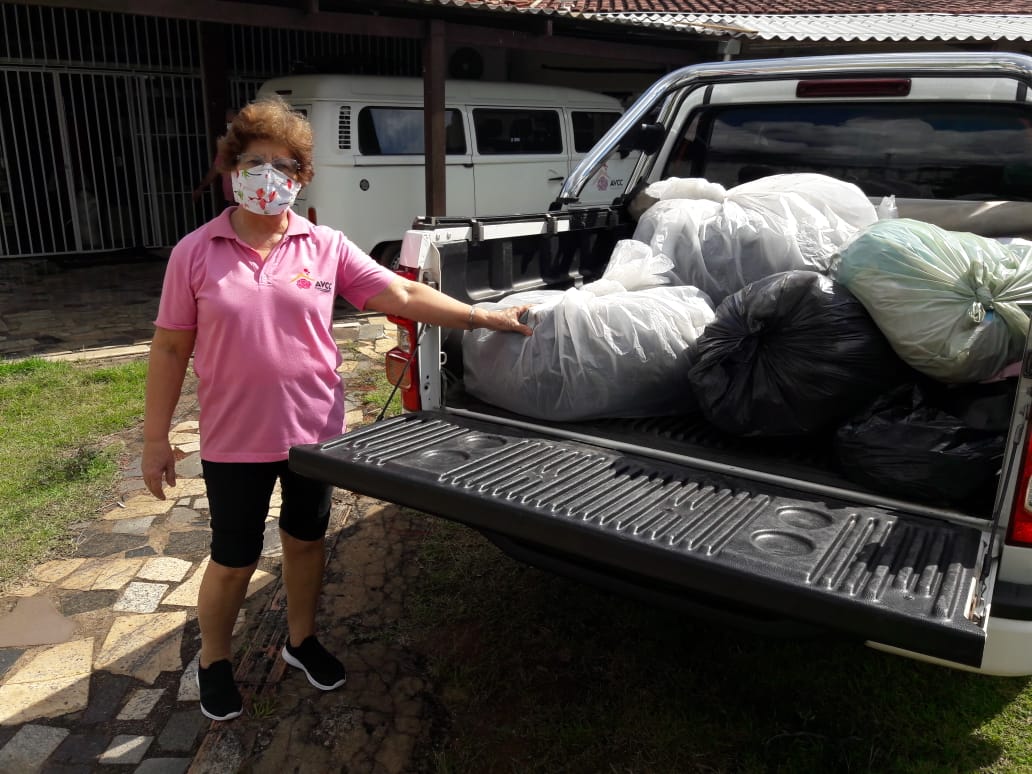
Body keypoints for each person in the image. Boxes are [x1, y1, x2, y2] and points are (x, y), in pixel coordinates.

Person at [143, 95, 533, 722]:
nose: (267, 176)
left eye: (283, 165)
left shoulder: (324, 246)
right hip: (233, 440)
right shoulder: (196, 251)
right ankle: (214, 659)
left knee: (305, 542)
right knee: (234, 557)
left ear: (299, 178)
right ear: (230, 168)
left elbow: (401, 290)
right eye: (253, 161)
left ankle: (300, 641)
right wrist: (154, 440)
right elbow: (168, 347)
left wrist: (480, 314)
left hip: (314, 435)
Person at [192, 109, 238, 211]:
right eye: (228, 122)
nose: (230, 125)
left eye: (232, 122)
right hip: (232, 199)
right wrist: (201, 187)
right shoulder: (226, 146)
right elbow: (215, 169)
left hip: (248, 198)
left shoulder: (250, 144)